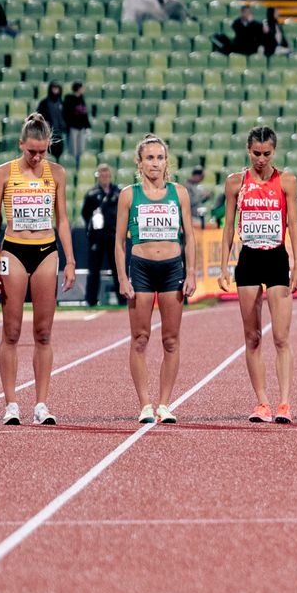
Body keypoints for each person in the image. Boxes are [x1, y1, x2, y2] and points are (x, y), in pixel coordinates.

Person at [0, 113, 76, 425]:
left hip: (46, 250)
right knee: (10, 332)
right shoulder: (3, 173)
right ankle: (11, 403)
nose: (37, 157)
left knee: (43, 332)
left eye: (43, 151)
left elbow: (62, 218)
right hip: (14, 248)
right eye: (32, 151)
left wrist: (70, 260)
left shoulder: (57, 173)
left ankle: (41, 404)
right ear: (20, 144)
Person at [221, 127, 297, 422]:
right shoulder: (235, 183)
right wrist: (223, 265)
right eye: (256, 153)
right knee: (252, 336)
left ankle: (284, 404)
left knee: (281, 337)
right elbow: (229, 226)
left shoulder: (286, 181)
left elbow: (293, 225)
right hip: (248, 260)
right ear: (248, 150)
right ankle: (262, 403)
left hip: (277, 259)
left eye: (267, 153)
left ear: (274, 151)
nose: (261, 159)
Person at [114, 134, 198, 424]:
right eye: (149, 158)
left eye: (160, 158)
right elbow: (118, 241)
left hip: (173, 268)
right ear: (139, 163)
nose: (155, 163)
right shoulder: (129, 194)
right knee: (140, 339)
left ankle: (164, 403)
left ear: (166, 162)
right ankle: (145, 405)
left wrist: (191, 272)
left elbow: (190, 236)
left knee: (171, 340)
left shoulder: (179, 193)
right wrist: (123, 278)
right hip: (141, 269)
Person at [80, 163, 121, 306]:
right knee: (94, 269)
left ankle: (122, 299)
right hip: (97, 236)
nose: (104, 176)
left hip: (114, 234)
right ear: (98, 176)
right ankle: (90, 300)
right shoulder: (91, 194)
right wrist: (91, 230)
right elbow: (85, 214)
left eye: (107, 173)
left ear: (110, 175)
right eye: (102, 173)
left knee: (118, 268)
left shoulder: (118, 192)